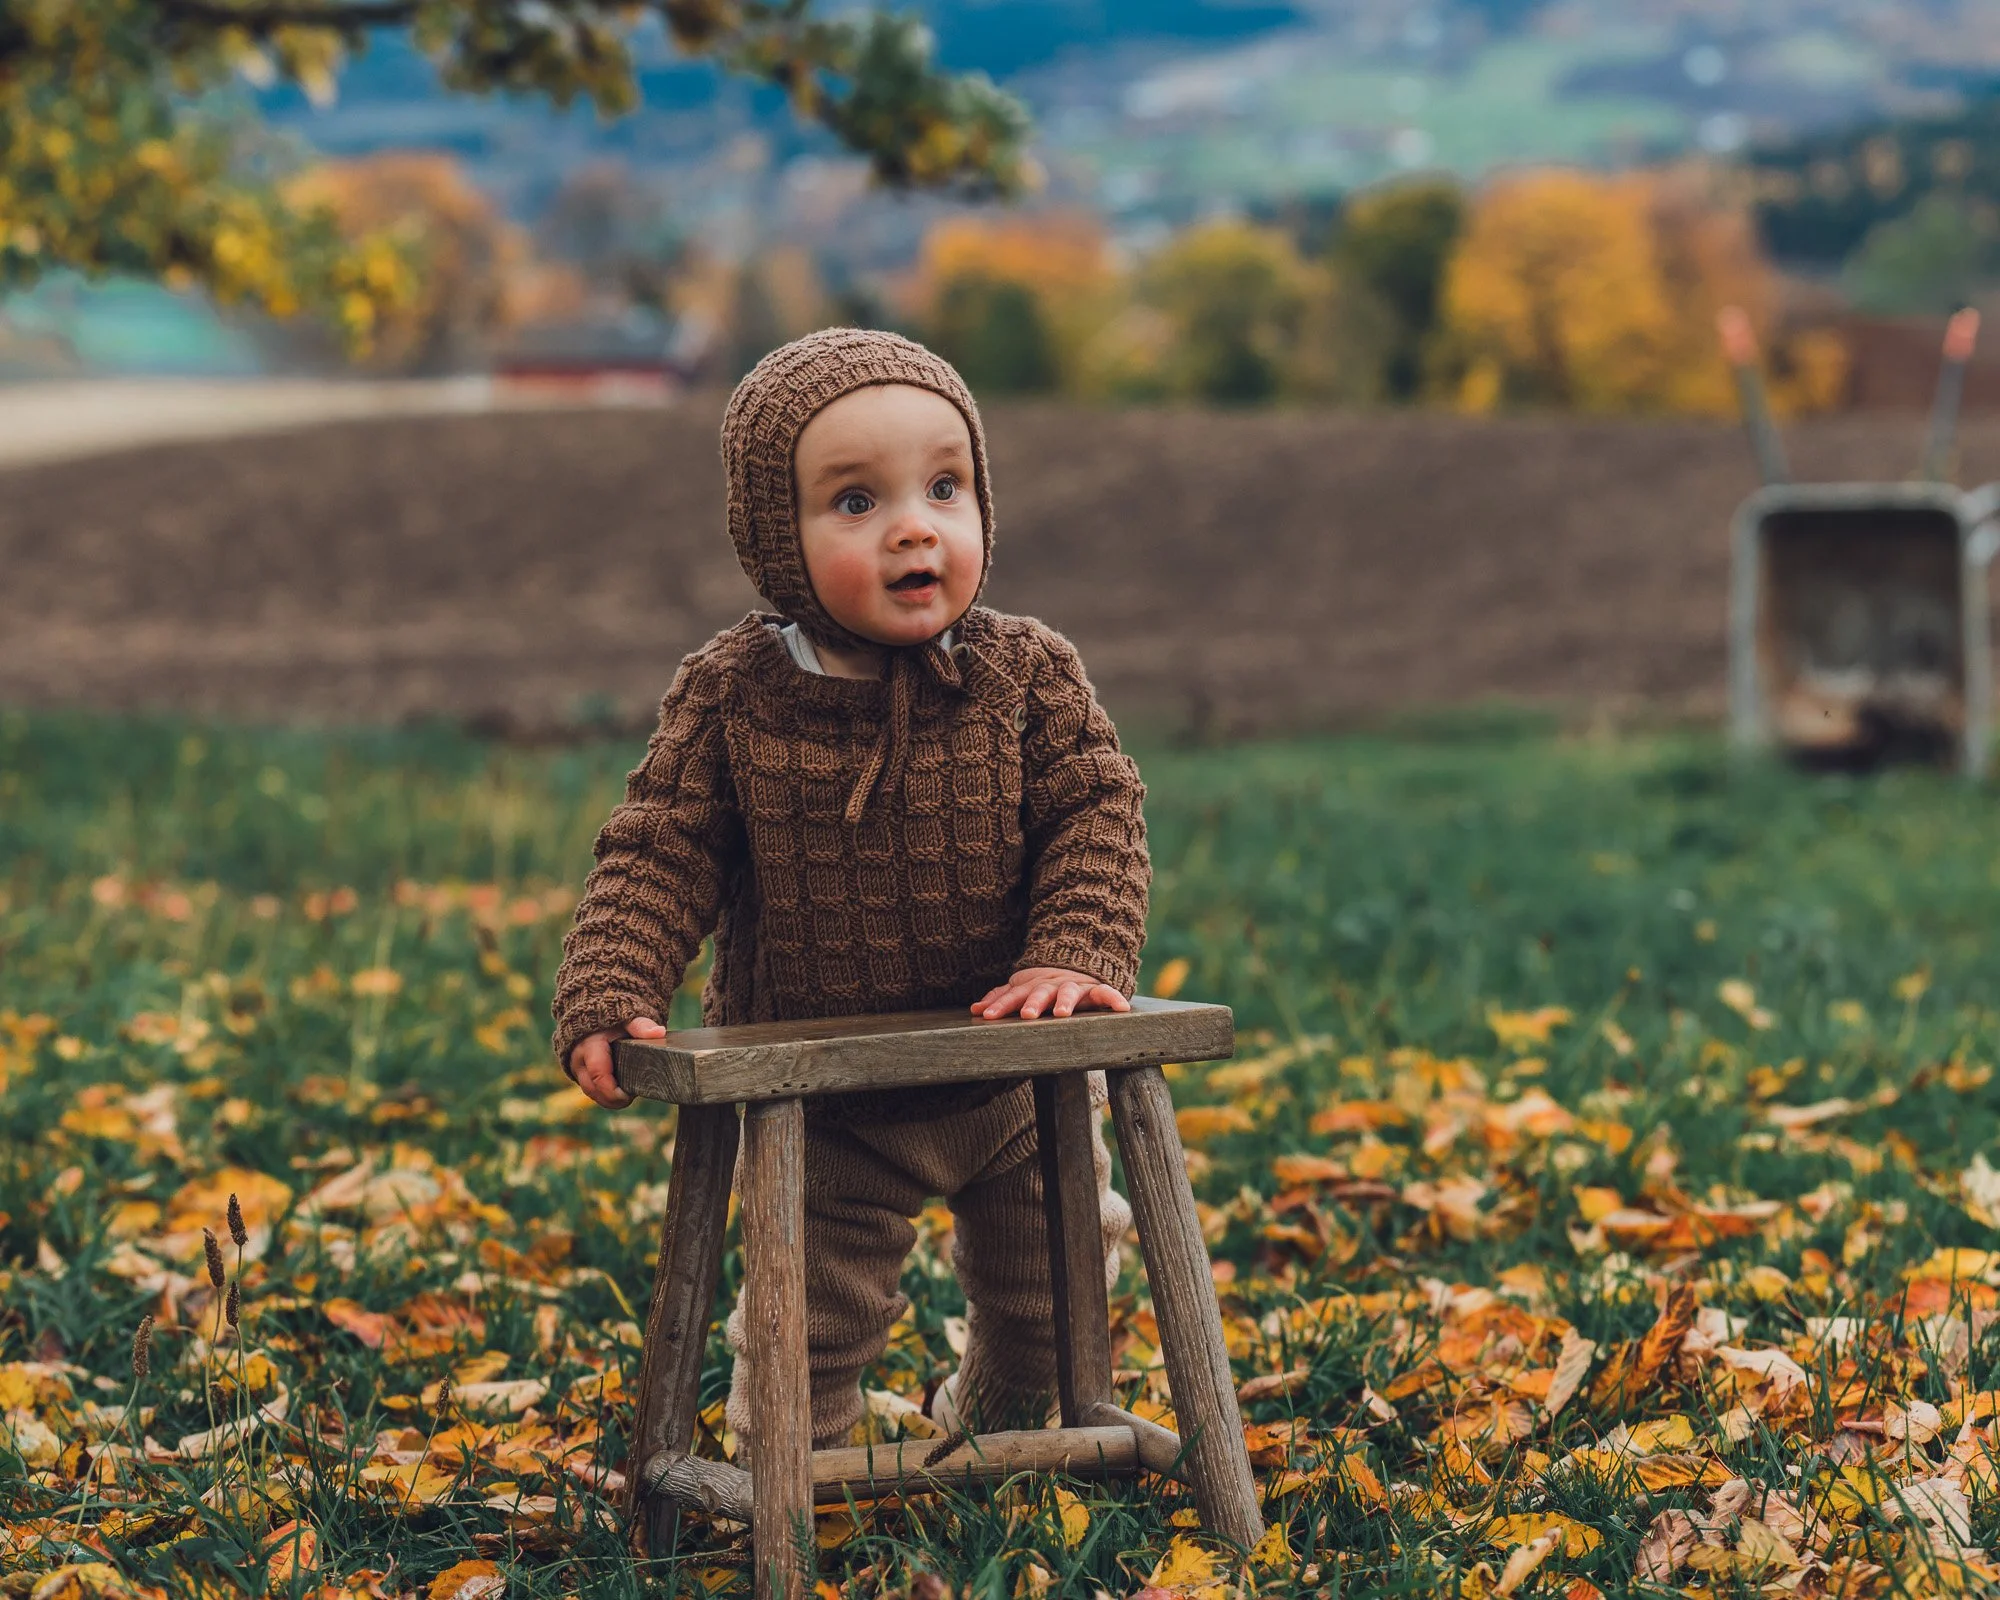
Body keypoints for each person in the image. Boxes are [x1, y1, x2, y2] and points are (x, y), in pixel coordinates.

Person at [551, 326, 1148, 1451]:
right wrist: (613, 981)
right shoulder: (737, 692)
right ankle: (797, 1459)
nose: (915, 524)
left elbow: (1095, 807)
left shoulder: (1024, 672)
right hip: (819, 1089)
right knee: (810, 1317)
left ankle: (1006, 1431)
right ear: (776, 537)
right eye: (855, 503)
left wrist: (1073, 949)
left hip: (1007, 1075)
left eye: (943, 486)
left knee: (1052, 1290)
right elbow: (659, 845)